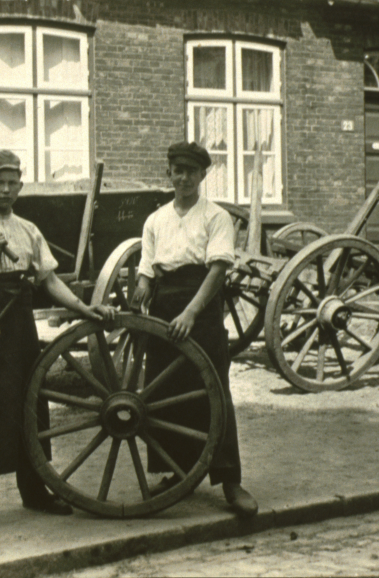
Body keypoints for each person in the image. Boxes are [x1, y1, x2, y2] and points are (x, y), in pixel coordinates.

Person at [0, 150, 115, 535]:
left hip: (19, 331)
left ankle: (34, 491)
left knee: (31, 407)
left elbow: (48, 280)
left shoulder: (28, 230)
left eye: (12, 182)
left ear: (20, 185)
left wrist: (84, 309)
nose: (6, 190)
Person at [130, 141, 258, 518]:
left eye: (191, 171)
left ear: (203, 175)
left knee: (213, 389)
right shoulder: (155, 219)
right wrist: (142, 284)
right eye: (177, 171)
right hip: (163, 303)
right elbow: (147, 264)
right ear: (168, 174)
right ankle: (178, 471)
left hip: (199, 307)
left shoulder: (215, 217)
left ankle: (229, 480)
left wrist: (190, 313)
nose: (183, 178)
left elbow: (217, 270)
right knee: (166, 391)